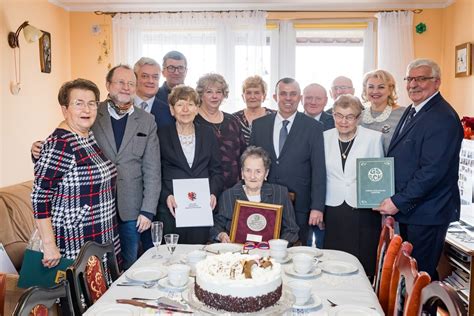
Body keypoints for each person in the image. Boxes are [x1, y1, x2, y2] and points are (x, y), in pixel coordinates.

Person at [33, 65, 162, 270]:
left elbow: (153, 169)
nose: (126, 87)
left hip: (119, 215)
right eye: (120, 82)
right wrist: (39, 150)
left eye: (131, 83)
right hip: (77, 229)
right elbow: (44, 186)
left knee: (123, 268)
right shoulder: (91, 114)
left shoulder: (143, 121)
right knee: (80, 283)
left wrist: (148, 210)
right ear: (108, 85)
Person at [375, 59, 463, 280]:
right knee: (407, 275)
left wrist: (398, 201)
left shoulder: (442, 117)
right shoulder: (415, 109)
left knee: (420, 276)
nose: (414, 84)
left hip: (427, 213)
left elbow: (432, 171)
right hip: (413, 211)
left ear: (436, 82)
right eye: (410, 79)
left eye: (421, 79)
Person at [31, 78, 120, 267]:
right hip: (74, 240)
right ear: (65, 109)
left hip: (98, 233)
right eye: (78, 104)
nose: (86, 110)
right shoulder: (61, 144)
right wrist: (49, 245)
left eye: (91, 104)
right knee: (78, 295)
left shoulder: (87, 136)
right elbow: (40, 196)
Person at [250, 77, 326, 244]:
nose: (288, 98)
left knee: (295, 254)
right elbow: (251, 164)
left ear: (299, 98)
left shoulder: (313, 127)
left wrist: (317, 207)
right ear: (275, 97)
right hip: (264, 201)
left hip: (300, 205)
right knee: (263, 250)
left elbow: (319, 170)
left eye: (293, 94)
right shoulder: (259, 125)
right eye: (283, 94)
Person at [323, 94, 384, 276]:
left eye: (349, 116)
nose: (343, 121)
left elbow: (378, 174)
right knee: (333, 260)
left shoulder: (374, 138)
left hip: (363, 209)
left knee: (362, 260)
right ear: (333, 115)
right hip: (333, 207)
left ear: (359, 118)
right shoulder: (324, 137)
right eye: (339, 115)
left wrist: (377, 200)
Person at [158, 85, 224, 244]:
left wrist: (213, 192)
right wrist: (166, 195)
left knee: (197, 254)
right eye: (180, 104)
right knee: (172, 258)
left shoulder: (208, 133)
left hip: (200, 207)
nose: (185, 109)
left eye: (190, 104)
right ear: (172, 110)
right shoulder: (161, 134)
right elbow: (154, 172)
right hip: (172, 208)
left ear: (197, 108)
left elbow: (216, 170)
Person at [211, 146, 299, 244]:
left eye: (258, 171)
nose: (252, 176)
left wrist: (276, 245)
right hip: (237, 254)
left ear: (266, 173)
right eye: (248, 170)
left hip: (270, 255)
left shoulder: (280, 193)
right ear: (242, 172)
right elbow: (216, 227)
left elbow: (292, 230)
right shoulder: (228, 195)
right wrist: (221, 235)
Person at [194, 73, 246, 190]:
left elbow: (243, 153)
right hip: (204, 186)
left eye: (218, 92)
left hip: (233, 186)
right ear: (201, 95)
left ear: (224, 95)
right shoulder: (192, 121)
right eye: (209, 92)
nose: (214, 96)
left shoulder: (232, 120)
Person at [302, 83, 334, 248]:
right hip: (300, 196)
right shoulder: (294, 122)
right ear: (302, 99)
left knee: (324, 247)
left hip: (328, 192)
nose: (313, 102)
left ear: (326, 100)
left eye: (318, 98)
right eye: (308, 97)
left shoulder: (335, 122)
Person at [360, 69, 405, 154]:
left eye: (381, 87)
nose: (375, 91)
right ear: (365, 90)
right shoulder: (359, 117)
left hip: (394, 166)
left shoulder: (403, 114)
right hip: (362, 166)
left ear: (390, 90)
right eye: (371, 87)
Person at [233, 75, 275, 145]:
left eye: (257, 93)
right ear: (243, 96)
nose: (252, 97)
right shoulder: (234, 119)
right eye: (248, 93)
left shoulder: (274, 116)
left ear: (264, 96)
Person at [134, 57, 174, 128]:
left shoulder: (168, 112)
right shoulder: (122, 107)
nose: (151, 81)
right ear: (135, 78)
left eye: (155, 77)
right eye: (145, 76)